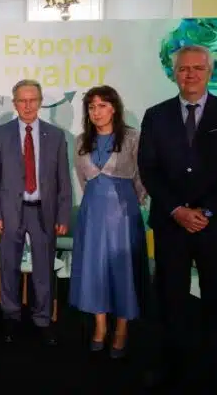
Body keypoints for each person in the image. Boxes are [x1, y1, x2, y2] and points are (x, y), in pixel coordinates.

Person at [138, 45, 217, 390]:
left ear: (209, 72)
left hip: (215, 226)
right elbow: (149, 168)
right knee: (170, 299)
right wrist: (177, 209)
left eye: (197, 68)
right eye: (184, 69)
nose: (190, 75)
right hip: (170, 225)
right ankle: (171, 369)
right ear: (175, 73)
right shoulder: (156, 115)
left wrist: (206, 211)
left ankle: (216, 368)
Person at [0, 79, 72, 346]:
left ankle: (42, 319)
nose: (27, 105)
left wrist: (63, 215)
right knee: (9, 266)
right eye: (22, 100)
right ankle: (11, 317)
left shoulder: (55, 135)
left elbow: (63, 179)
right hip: (10, 211)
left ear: (40, 102)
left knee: (43, 268)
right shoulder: (1, 134)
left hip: (43, 212)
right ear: (14, 103)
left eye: (32, 100)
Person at [69, 85, 148, 358]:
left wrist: (130, 202)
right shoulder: (81, 141)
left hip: (123, 214)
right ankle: (100, 326)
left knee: (123, 270)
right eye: (92, 107)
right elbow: (83, 180)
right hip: (92, 213)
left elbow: (141, 178)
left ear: (114, 108)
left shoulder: (132, 137)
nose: (96, 112)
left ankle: (122, 329)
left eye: (102, 105)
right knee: (94, 270)